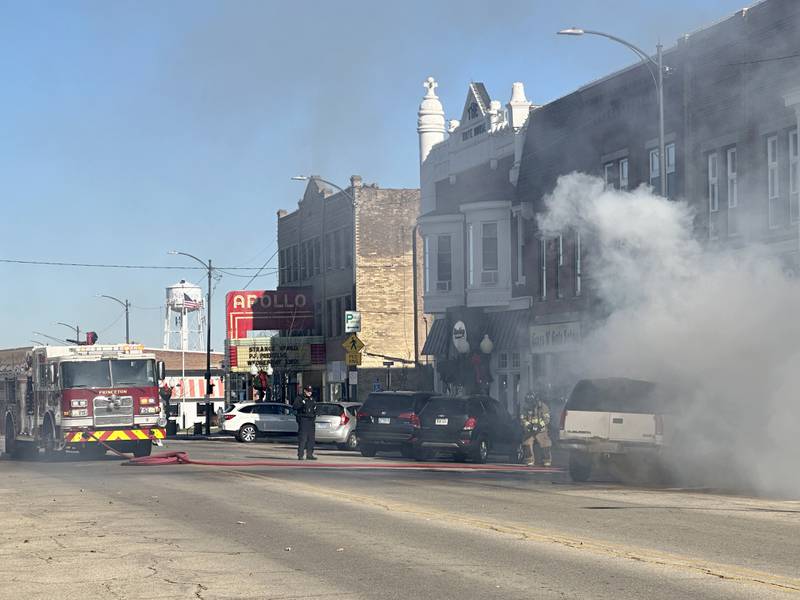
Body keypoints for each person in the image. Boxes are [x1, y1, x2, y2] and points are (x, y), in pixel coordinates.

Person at [521, 393, 552, 467]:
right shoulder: (525, 407)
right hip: (530, 430)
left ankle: (546, 461)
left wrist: (539, 425)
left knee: (545, 444)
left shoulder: (543, 407)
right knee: (527, 443)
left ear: (535, 400)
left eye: (531, 402)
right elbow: (522, 418)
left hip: (541, 430)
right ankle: (529, 460)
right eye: (528, 402)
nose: (529, 404)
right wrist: (529, 425)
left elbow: (547, 419)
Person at [292, 385, 317, 460]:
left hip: (311, 420)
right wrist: (302, 403)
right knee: (303, 438)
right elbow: (295, 407)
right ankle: (300, 455)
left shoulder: (312, 399)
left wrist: (314, 416)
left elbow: (315, 409)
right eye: (308, 391)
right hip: (303, 419)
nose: (310, 393)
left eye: (311, 391)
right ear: (305, 391)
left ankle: (310, 454)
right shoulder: (300, 398)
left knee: (311, 439)